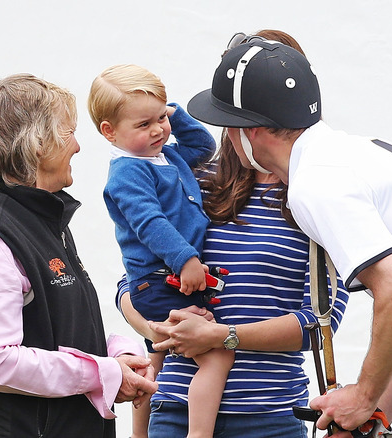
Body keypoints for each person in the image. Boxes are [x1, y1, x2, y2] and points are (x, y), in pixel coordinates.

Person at [185, 35, 392, 437]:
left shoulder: (317, 180)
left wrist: (361, 397)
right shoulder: (348, 153)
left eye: (228, 125)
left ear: (251, 130)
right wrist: (372, 414)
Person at [118, 30, 349, 438]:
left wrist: (222, 337)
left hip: (270, 418)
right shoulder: (194, 180)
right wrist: (154, 328)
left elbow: (320, 322)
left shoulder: (320, 196)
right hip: (177, 409)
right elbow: (131, 280)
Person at [0, 74, 157, 438]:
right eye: (69, 132)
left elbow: (47, 332)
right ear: (38, 144)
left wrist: (113, 354)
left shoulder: (39, 218)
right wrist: (99, 373)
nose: (77, 147)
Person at [88, 64, 232, 438]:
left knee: (156, 357)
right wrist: (186, 258)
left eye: (159, 119)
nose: (157, 130)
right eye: (143, 124)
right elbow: (150, 222)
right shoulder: (128, 172)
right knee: (217, 355)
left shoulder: (166, 154)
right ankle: (198, 433)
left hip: (165, 281)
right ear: (109, 131)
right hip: (158, 282)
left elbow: (203, 146)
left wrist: (174, 115)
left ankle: (141, 433)